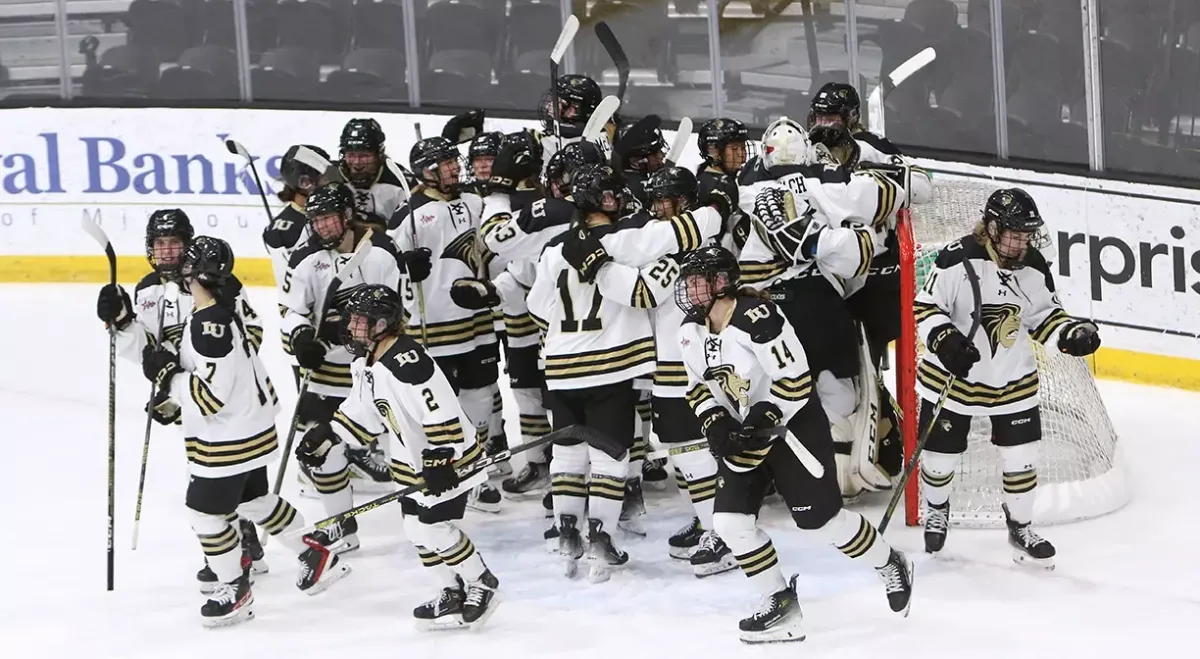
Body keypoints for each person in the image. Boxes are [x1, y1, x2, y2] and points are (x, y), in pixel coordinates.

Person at [675, 245, 913, 644]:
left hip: (792, 428)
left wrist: (762, 418)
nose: (691, 288)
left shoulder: (758, 318)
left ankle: (890, 562)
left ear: (722, 283)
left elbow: (794, 381)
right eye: (689, 280)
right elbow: (698, 387)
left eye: (699, 280)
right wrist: (715, 422)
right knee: (731, 523)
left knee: (821, 522)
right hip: (745, 435)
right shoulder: (689, 329)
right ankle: (779, 602)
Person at [140, 236, 348, 626]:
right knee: (253, 502)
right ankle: (316, 554)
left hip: (226, 437)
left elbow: (209, 397)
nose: (181, 268)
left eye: (188, 263)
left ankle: (234, 588)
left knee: (204, 514)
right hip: (250, 428)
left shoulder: (208, 325)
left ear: (197, 273)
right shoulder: (219, 309)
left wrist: (168, 379)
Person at [914, 188, 1100, 568]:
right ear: (993, 227)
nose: (1021, 242)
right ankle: (937, 509)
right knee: (939, 461)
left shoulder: (1033, 266)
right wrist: (944, 339)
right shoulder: (957, 259)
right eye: (1014, 233)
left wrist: (1069, 334)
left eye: (1026, 234)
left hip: (1012, 381)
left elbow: (1045, 315)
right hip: (951, 380)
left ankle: (1021, 526)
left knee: (1022, 459)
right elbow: (926, 306)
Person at [297, 285, 500, 629]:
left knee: (434, 530)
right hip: (409, 459)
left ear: (383, 324)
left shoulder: (409, 362)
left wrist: (441, 456)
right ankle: (449, 591)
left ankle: (482, 582)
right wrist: (329, 435)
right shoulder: (367, 361)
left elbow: (441, 410)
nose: (352, 328)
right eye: (353, 320)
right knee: (415, 531)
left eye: (361, 321)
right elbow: (364, 412)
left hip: (448, 459)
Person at [94, 209, 268, 590]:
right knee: (209, 470)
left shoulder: (220, 281)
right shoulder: (148, 290)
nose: (168, 252)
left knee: (238, 473)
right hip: (192, 396)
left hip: (231, 398)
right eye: (160, 244)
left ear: (188, 245)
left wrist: (178, 373)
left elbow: (250, 336)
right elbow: (147, 349)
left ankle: (242, 540)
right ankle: (236, 541)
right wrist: (122, 323)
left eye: (174, 243)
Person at [738, 116, 906, 499]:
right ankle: (838, 475)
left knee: (771, 391)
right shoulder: (829, 183)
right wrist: (851, 238)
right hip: (819, 298)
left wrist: (823, 241)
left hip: (766, 306)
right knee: (837, 392)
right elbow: (903, 192)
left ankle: (772, 475)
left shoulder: (750, 185)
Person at [583, 166, 736, 576]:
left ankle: (725, 536)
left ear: (685, 201)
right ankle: (711, 522)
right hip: (672, 358)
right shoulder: (686, 231)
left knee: (692, 451)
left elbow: (638, 276)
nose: (657, 208)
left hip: (686, 362)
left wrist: (594, 250)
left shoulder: (683, 244)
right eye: (654, 201)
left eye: (666, 200)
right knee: (683, 451)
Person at [281, 182, 413, 530]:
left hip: (376, 370)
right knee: (322, 452)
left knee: (400, 447)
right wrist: (302, 337)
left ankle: (417, 520)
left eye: (329, 219)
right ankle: (341, 524)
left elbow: (404, 310)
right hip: (328, 372)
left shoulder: (383, 251)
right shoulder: (305, 258)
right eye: (316, 220)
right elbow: (290, 311)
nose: (322, 227)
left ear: (348, 216)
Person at [388, 136, 502, 512]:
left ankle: (477, 465)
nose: (454, 168)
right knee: (443, 406)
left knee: (482, 395)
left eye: (454, 161)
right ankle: (451, 468)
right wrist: (406, 265)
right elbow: (383, 266)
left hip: (478, 318)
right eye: (445, 164)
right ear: (426, 171)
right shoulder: (409, 215)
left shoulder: (474, 201)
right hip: (434, 325)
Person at [337, 118, 412, 225]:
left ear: (379, 154)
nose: (357, 162)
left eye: (364, 156)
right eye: (351, 155)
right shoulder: (331, 177)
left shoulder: (398, 179)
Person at [695, 118, 753, 255]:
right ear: (713, 151)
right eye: (734, 149)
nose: (742, 154)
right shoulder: (721, 186)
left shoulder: (703, 173)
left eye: (743, 147)